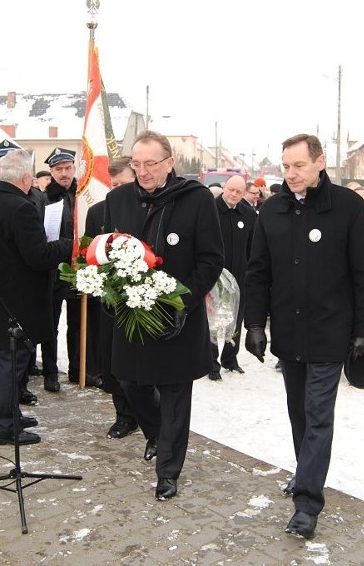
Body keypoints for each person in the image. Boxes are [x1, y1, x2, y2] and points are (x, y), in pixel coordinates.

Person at [244, 134, 364, 539]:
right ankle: (307, 471)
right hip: (288, 331)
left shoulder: (348, 207)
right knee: (298, 412)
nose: (291, 174)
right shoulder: (272, 210)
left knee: (318, 415)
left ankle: (306, 503)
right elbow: (258, 272)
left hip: (330, 332)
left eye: (299, 165)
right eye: (286, 166)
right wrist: (254, 324)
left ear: (320, 163)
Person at [102, 130, 224, 501]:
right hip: (132, 316)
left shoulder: (197, 200)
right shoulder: (118, 199)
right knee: (129, 383)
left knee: (174, 393)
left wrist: (179, 302)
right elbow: (105, 249)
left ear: (169, 164)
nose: (142, 171)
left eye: (150, 164)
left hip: (177, 319)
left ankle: (168, 471)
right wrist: (110, 290)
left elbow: (211, 259)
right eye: (136, 164)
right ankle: (155, 433)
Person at [0, 149, 73, 444]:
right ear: (27, 177)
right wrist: (68, 245)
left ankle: (11, 414)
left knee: (9, 363)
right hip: (15, 303)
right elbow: (38, 255)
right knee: (9, 365)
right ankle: (4, 426)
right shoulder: (20, 207)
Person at [84, 156, 140, 439]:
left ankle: (147, 412)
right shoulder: (98, 212)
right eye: (113, 184)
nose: (118, 189)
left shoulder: (149, 208)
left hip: (144, 301)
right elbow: (89, 255)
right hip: (111, 303)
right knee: (114, 363)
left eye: (124, 183)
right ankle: (124, 415)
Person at [41, 148, 102, 391]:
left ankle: (80, 369)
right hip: (53, 270)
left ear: (74, 168)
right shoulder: (44, 199)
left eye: (67, 168)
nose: (64, 173)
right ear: (52, 172)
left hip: (80, 270)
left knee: (80, 323)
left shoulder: (84, 194)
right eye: (58, 169)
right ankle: (50, 372)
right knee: (50, 324)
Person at [208, 175, 257, 380]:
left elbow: (253, 246)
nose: (234, 195)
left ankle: (230, 358)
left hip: (239, 277)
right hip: (214, 275)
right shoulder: (211, 211)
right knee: (211, 320)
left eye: (239, 191)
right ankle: (211, 363)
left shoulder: (248, 214)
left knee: (235, 319)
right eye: (231, 190)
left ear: (244, 192)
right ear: (224, 188)